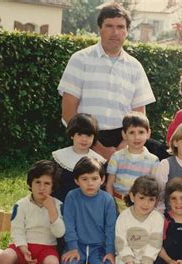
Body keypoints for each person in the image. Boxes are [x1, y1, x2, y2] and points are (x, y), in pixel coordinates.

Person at [57, 3, 157, 160]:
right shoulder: (80, 60)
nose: (115, 32)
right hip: (85, 140)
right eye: (109, 26)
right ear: (100, 28)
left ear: (127, 31)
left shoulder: (135, 67)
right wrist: (99, 148)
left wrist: (122, 148)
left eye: (120, 27)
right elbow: (68, 111)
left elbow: (139, 116)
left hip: (124, 143)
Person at [58, 157, 117, 264]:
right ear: (77, 181)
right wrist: (72, 247)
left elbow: (111, 228)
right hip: (77, 245)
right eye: (84, 179)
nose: (90, 183)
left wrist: (110, 251)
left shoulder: (108, 200)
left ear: (102, 180)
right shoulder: (72, 196)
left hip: (100, 248)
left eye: (94, 178)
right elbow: (68, 224)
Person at [106, 112, 159, 208]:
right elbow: (109, 184)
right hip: (118, 205)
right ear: (124, 135)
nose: (136, 137)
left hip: (143, 207)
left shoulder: (153, 161)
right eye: (131, 132)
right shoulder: (116, 157)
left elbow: (155, 188)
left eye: (141, 132)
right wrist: (111, 206)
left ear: (148, 134)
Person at [52, 113, 106, 203]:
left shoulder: (99, 161)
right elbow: (52, 185)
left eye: (88, 135)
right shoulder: (59, 158)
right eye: (80, 134)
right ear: (72, 135)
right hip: (62, 204)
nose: (84, 139)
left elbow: (102, 190)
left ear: (94, 137)